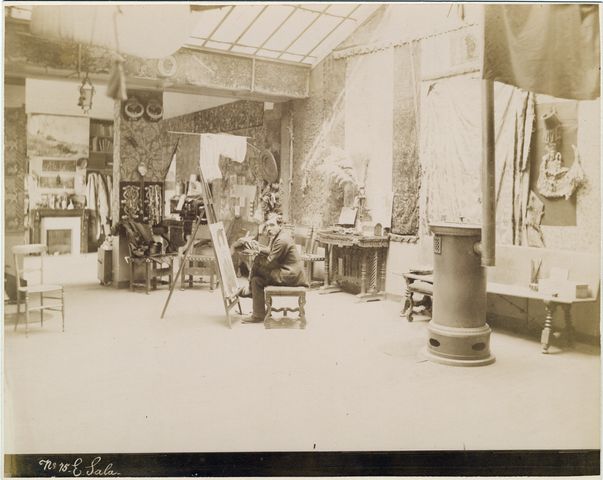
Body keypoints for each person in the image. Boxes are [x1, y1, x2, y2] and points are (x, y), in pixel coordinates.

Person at [236, 215, 308, 323]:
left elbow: (270, 261)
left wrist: (257, 254)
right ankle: (258, 314)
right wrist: (258, 247)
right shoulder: (279, 235)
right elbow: (270, 250)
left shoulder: (282, 239)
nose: (269, 228)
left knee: (258, 263)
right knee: (256, 280)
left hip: (290, 275)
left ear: (280, 225)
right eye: (267, 225)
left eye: (272, 225)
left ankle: (250, 291)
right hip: (287, 272)